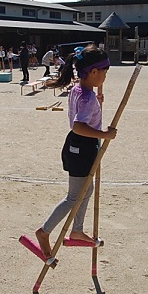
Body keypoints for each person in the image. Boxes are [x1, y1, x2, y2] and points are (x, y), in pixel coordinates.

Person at [31, 45, 117, 257]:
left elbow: (83, 112)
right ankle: (45, 231)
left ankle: (77, 230)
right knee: (74, 196)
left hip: (78, 146)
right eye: (104, 72)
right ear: (94, 72)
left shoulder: (80, 90)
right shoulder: (87, 97)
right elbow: (78, 125)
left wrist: (96, 104)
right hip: (82, 146)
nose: (105, 77)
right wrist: (105, 134)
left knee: (86, 190)